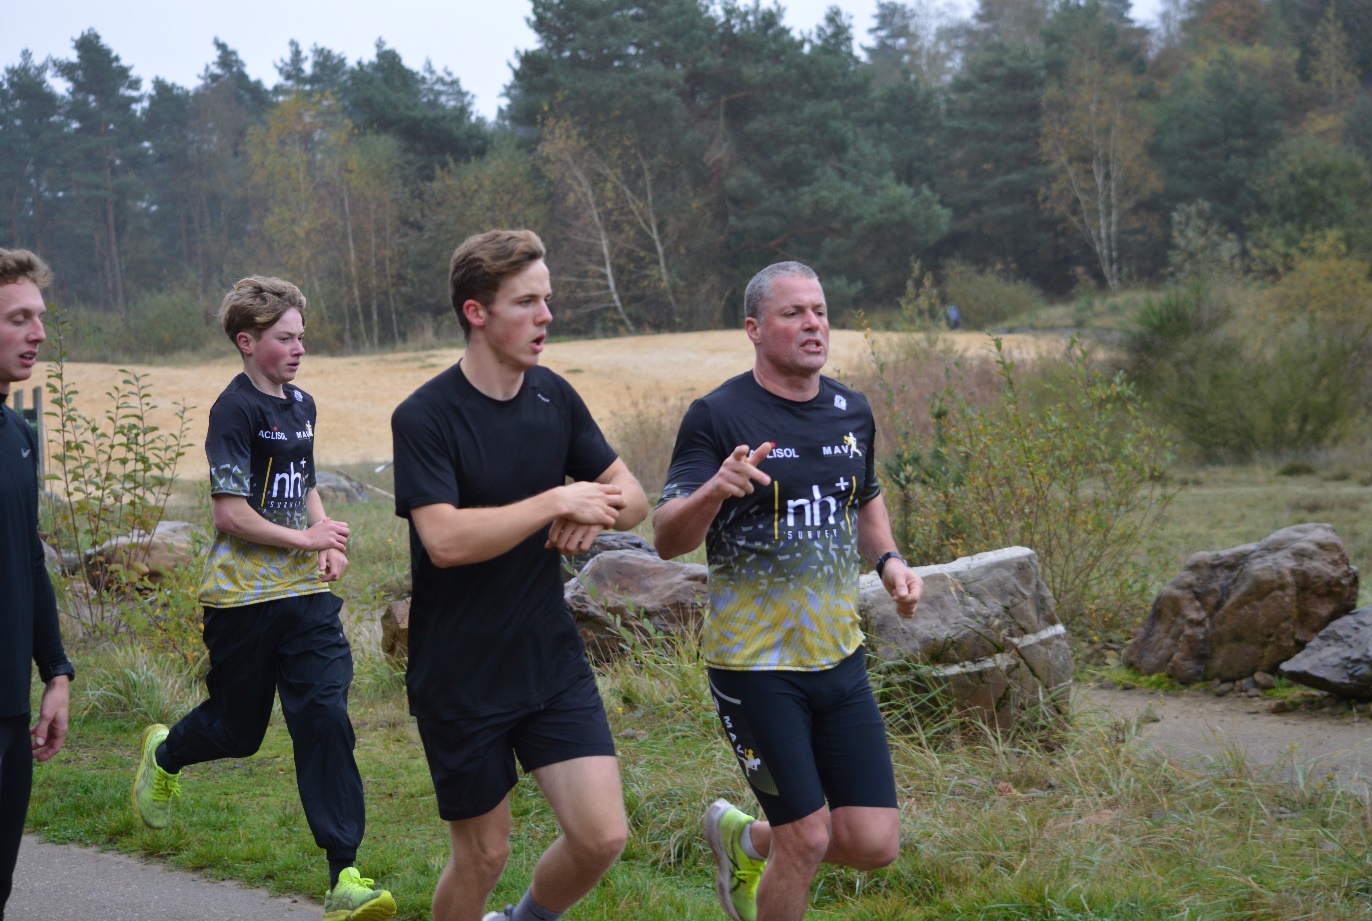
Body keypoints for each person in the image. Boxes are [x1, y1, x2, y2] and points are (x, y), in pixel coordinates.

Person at [652, 261, 924, 921]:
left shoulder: (849, 409)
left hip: (839, 658)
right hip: (755, 667)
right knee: (806, 838)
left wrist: (888, 560)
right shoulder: (718, 415)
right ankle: (770, 850)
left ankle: (743, 839)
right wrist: (715, 489)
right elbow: (665, 537)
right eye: (793, 312)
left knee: (871, 841)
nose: (812, 324)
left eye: (820, 311)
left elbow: (863, 498)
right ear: (753, 328)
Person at [391, 229, 647, 921]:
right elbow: (443, 539)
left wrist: (596, 509)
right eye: (527, 301)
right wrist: (556, 500)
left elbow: (635, 494)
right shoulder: (424, 416)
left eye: (548, 300)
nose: (546, 316)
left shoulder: (554, 399)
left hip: (546, 658)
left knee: (602, 835)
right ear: (477, 311)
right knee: (483, 855)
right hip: (460, 674)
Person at [130, 276, 396, 921]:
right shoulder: (235, 411)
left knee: (324, 719)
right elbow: (230, 515)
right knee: (239, 733)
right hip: (241, 603)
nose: (298, 348)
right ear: (247, 342)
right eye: (285, 338)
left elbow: (302, 482)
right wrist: (305, 539)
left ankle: (345, 876)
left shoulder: (301, 404)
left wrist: (325, 538)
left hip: (306, 598)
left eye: (301, 336)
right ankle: (164, 753)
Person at [0, 248, 73, 921]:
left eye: (39, 317)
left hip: (9, 714)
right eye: (19, 319)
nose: (39, 333)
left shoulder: (19, 435)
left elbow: (30, 560)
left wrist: (55, 670)